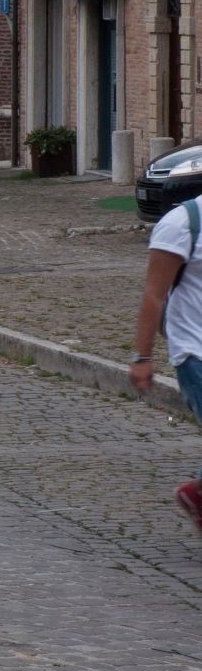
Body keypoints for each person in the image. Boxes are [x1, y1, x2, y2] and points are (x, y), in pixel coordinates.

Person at [130, 196, 202, 529]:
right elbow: (154, 294)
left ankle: (197, 494)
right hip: (195, 352)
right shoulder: (183, 224)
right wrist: (142, 356)